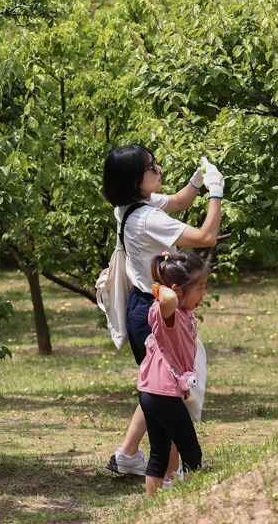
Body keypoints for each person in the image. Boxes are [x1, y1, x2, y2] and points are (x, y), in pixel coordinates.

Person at [101, 143, 224, 478]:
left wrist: (197, 182)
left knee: (157, 387)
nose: (157, 170)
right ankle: (169, 475)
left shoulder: (130, 206)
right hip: (157, 312)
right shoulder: (146, 219)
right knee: (171, 396)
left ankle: (133, 458)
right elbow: (206, 236)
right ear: (133, 180)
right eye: (150, 168)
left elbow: (179, 201)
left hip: (143, 306)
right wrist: (217, 193)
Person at [138, 250, 210, 496]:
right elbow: (167, 298)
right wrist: (159, 286)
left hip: (151, 392)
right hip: (163, 394)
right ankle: (193, 506)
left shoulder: (182, 313)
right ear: (179, 290)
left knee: (159, 452)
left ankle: (151, 510)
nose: (203, 294)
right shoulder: (167, 312)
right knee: (191, 452)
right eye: (199, 288)